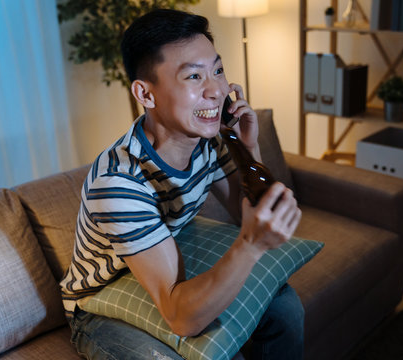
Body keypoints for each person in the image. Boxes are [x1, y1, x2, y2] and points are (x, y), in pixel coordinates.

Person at [60, 8, 303, 360]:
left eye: (218, 70)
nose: (216, 90)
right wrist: (250, 246)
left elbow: (242, 211)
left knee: (285, 306)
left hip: (157, 261)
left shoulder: (210, 137)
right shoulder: (117, 183)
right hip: (100, 301)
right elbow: (181, 319)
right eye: (193, 77)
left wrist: (247, 148)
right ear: (145, 94)